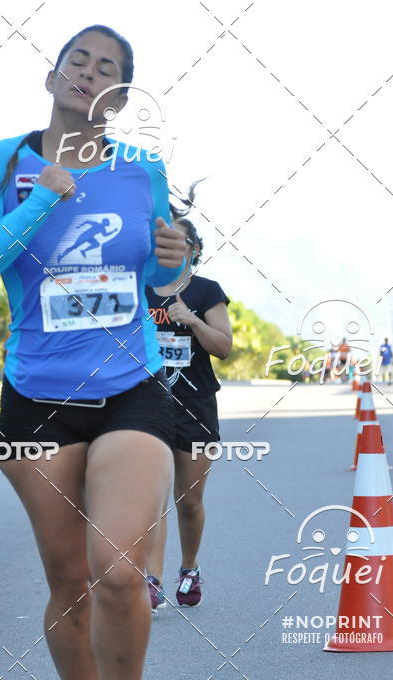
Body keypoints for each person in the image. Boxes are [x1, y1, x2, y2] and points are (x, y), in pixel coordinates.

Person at [0, 25, 186, 680]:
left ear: (119, 95)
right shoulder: (1, 164)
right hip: (37, 393)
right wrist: (45, 193)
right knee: (71, 582)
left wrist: (176, 259)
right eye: (78, 59)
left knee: (118, 572)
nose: (89, 73)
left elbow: (158, 273)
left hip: (131, 384)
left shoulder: (142, 169)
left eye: (108, 69)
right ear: (53, 75)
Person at [144, 190, 232, 610]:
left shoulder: (206, 291)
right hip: (145, 403)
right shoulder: (138, 289)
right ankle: (150, 579)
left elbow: (223, 347)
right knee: (150, 496)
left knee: (188, 499)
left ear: (193, 249)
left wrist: (192, 320)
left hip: (195, 404)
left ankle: (189, 568)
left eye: (176, 241)